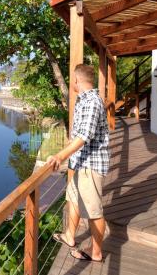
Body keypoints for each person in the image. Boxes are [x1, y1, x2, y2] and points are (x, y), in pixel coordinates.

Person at [47, 64, 109, 263]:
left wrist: (59, 156)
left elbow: (84, 136)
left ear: (76, 80)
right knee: (73, 198)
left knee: (94, 211)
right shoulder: (85, 100)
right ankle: (69, 236)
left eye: (71, 78)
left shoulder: (91, 102)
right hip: (80, 163)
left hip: (90, 165)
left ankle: (96, 252)